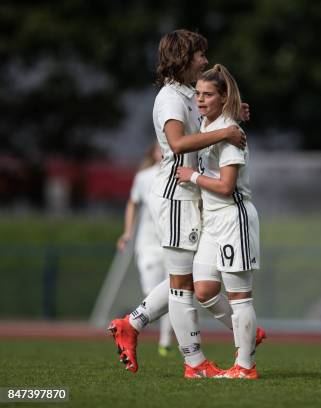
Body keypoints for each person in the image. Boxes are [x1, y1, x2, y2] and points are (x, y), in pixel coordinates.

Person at [108, 29, 248, 378]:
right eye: (199, 54)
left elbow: (201, 126)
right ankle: (195, 363)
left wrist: (231, 115)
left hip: (190, 196)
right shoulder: (170, 98)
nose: (204, 60)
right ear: (184, 57)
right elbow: (179, 142)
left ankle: (132, 323)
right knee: (182, 284)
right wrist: (225, 133)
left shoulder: (187, 93)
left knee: (188, 277)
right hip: (176, 197)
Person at [175, 64, 262, 379]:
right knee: (204, 290)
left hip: (233, 217)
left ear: (223, 98)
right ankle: (249, 337)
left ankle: (245, 367)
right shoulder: (209, 124)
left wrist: (192, 176)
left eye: (208, 94)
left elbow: (226, 186)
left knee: (241, 297)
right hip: (212, 220)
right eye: (198, 93)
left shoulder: (229, 133)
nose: (200, 99)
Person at [116, 143, 174, 357]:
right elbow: (132, 203)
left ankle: (166, 338)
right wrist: (127, 233)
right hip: (148, 245)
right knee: (152, 294)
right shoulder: (144, 177)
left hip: (172, 243)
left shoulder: (179, 174)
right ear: (153, 152)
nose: (163, 151)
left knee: (175, 290)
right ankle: (132, 326)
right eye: (160, 148)